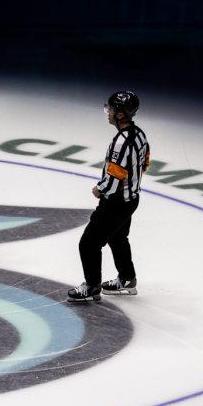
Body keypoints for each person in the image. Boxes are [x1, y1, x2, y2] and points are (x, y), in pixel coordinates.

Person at [67, 91, 151, 303]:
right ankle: (127, 279)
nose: (108, 112)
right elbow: (145, 163)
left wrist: (99, 189)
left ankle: (92, 286)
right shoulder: (140, 134)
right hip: (132, 199)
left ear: (121, 115)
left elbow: (114, 179)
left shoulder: (120, 142)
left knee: (88, 243)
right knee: (117, 237)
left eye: (111, 109)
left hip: (115, 202)